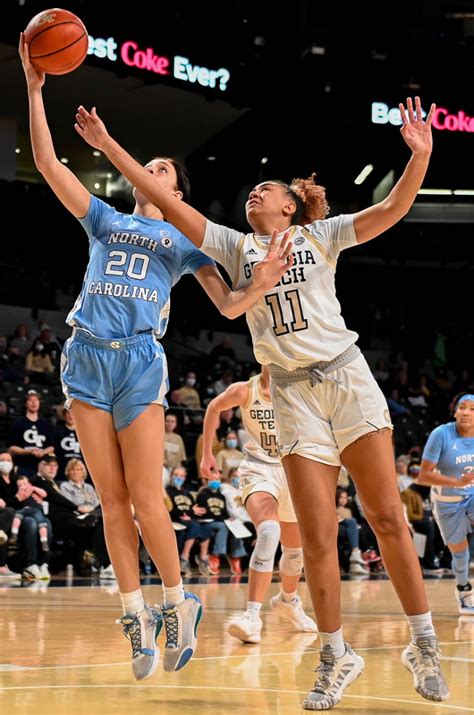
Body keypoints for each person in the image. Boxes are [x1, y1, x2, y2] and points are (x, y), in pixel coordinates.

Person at [75, 94, 451, 707]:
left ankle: (423, 643)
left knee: (386, 516)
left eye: (265, 190)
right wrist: (108, 147)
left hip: (347, 376)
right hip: (293, 393)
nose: (254, 195)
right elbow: (167, 200)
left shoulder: (321, 235)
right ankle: (334, 655)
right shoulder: (230, 245)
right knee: (318, 537)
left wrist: (420, 158)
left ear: (291, 205)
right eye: (250, 191)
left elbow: (393, 208)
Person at [19, 34, 292, 681]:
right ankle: (135, 614)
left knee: (145, 496)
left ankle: (177, 603)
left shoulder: (180, 238)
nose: (154, 172)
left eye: (165, 168)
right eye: (152, 167)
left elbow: (229, 307)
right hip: (85, 357)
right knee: (112, 501)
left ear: (174, 186)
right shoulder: (107, 221)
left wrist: (262, 279)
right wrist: (35, 88)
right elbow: (50, 163)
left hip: (140, 362)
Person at [201, 366, 317, 642]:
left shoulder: (299, 389)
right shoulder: (245, 390)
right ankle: (252, 616)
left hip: (293, 471)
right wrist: (207, 454)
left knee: (294, 553)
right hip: (258, 469)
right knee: (268, 532)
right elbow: (213, 408)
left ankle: (288, 601)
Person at [416, 393, 474, 614]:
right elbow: (423, 476)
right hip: (447, 501)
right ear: (455, 411)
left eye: (472, 408)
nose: (466, 412)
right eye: (462, 407)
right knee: (460, 554)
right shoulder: (441, 434)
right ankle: (464, 591)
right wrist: (455, 481)